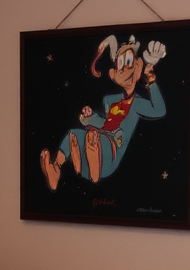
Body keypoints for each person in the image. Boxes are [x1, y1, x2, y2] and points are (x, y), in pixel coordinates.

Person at [41, 33, 167, 189]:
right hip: (96, 143)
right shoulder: (110, 100)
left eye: (129, 62)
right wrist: (90, 117)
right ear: (114, 75)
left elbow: (159, 110)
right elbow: (105, 124)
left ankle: (93, 165)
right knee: (73, 134)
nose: (125, 68)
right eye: (121, 64)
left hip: (110, 156)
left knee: (96, 139)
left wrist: (151, 80)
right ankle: (55, 170)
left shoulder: (138, 105)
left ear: (138, 66)